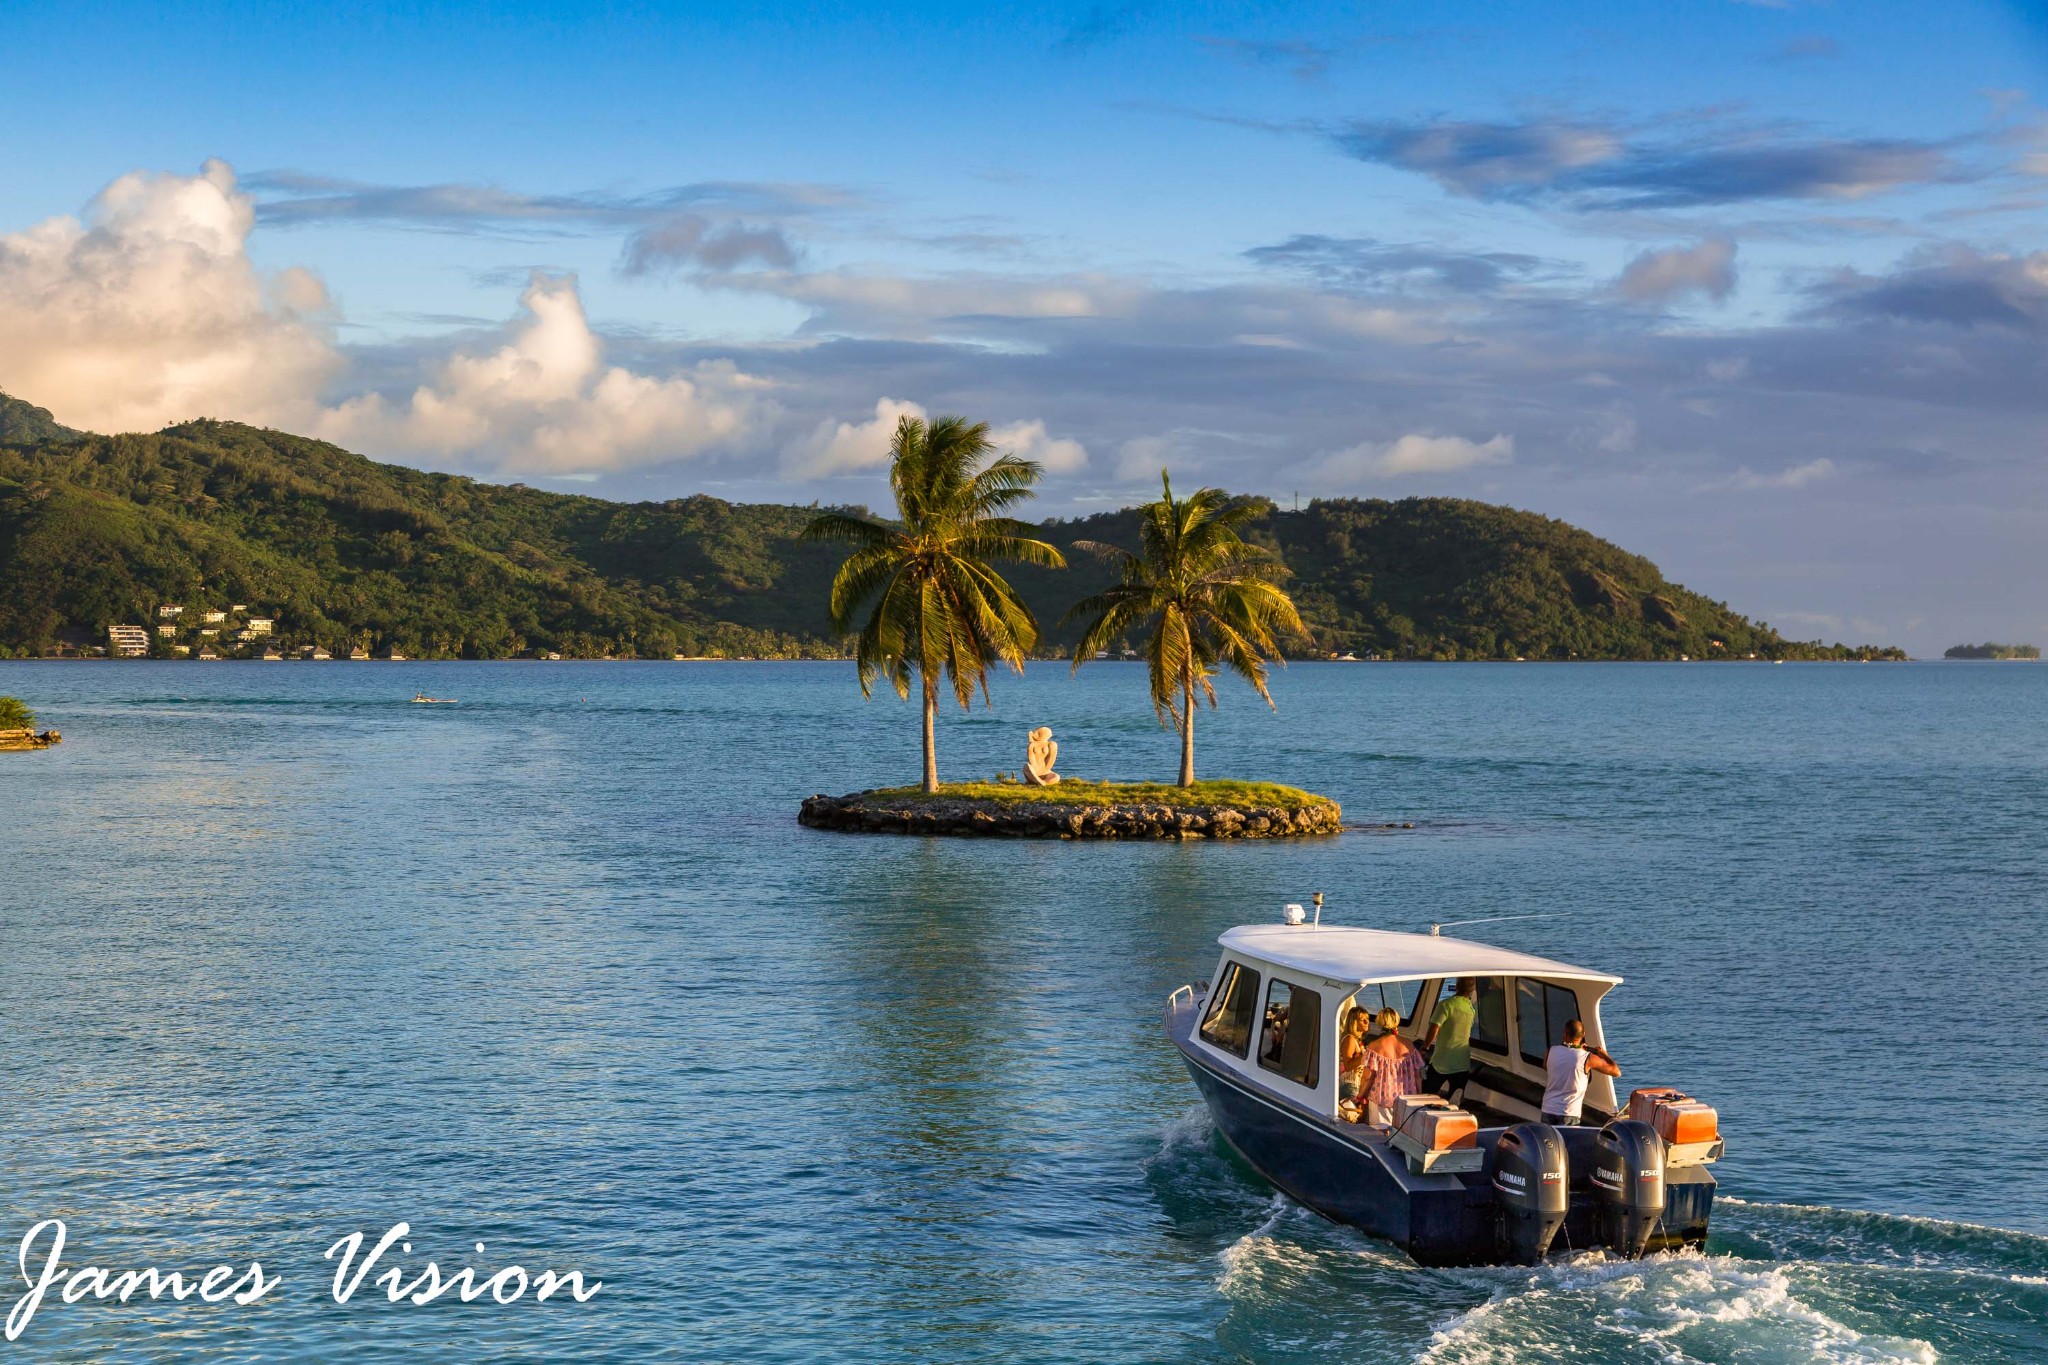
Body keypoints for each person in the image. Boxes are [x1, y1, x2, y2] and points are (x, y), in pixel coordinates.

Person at [1541, 1019, 1620, 1126]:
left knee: (1550, 1142)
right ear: (1583, 1035)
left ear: (1565, 1034)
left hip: (1548, 1109)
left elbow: (1547, 1067)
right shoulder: (1587, 1058)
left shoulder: (1550, 1051)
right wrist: (1603, 1054)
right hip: (1569, 1113)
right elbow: (1616, 1071)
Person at [1356, 1007, 1425, 1127]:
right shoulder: (1409, 1046)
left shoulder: (1374, 1047)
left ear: (1379, 1023)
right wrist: (1418, 1097)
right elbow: (1418, 1077)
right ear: (1396, 1022)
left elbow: (1368, 1078)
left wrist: (1360, 1096)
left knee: (1380, 1134)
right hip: (1406, 1101)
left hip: (1381, 1100)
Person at [1421, 977, 1478, 1102]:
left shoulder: (1446, 1005)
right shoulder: (1471, 1009)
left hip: (1442, 1061)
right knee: (1455, 1101)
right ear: (1472, 990)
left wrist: (1425, 1048)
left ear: (1457, 986)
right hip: (1462, 1062)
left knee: (1425, 1096)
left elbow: (1434, 1028)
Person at [1336, 1007, 1372, 1112]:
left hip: (1356, 1084)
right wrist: (1366, 1054)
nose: (1367, 1022)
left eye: (1368, 1018)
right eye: (1362, 1020)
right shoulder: (1349, 1039)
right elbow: (1348, 1066)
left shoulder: (1356, 1040)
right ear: (1354, 1022)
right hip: (1349, 1086)